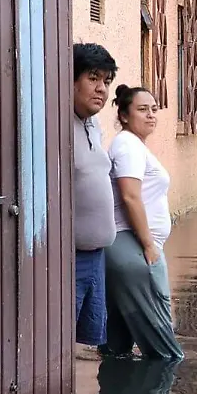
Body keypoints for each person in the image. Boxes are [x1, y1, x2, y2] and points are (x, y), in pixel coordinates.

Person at [101, 85, 184, 361]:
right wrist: (149, 245)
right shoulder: (127, 145)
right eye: (142, 109)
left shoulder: (132, 145)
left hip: (127, 248)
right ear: (124, 115)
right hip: (134, 247)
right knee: (166, 351)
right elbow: (130, 195)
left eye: (154, 109)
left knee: (117, 347)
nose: (150, 115)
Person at [72, 43, 119, 349]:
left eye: (106, 80)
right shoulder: (57, 125)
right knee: (58, 343)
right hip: (68, 260)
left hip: (96, 255)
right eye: (92, 78)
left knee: (87, 344)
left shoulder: (94, 124)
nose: (101, 88)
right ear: (70, 80)